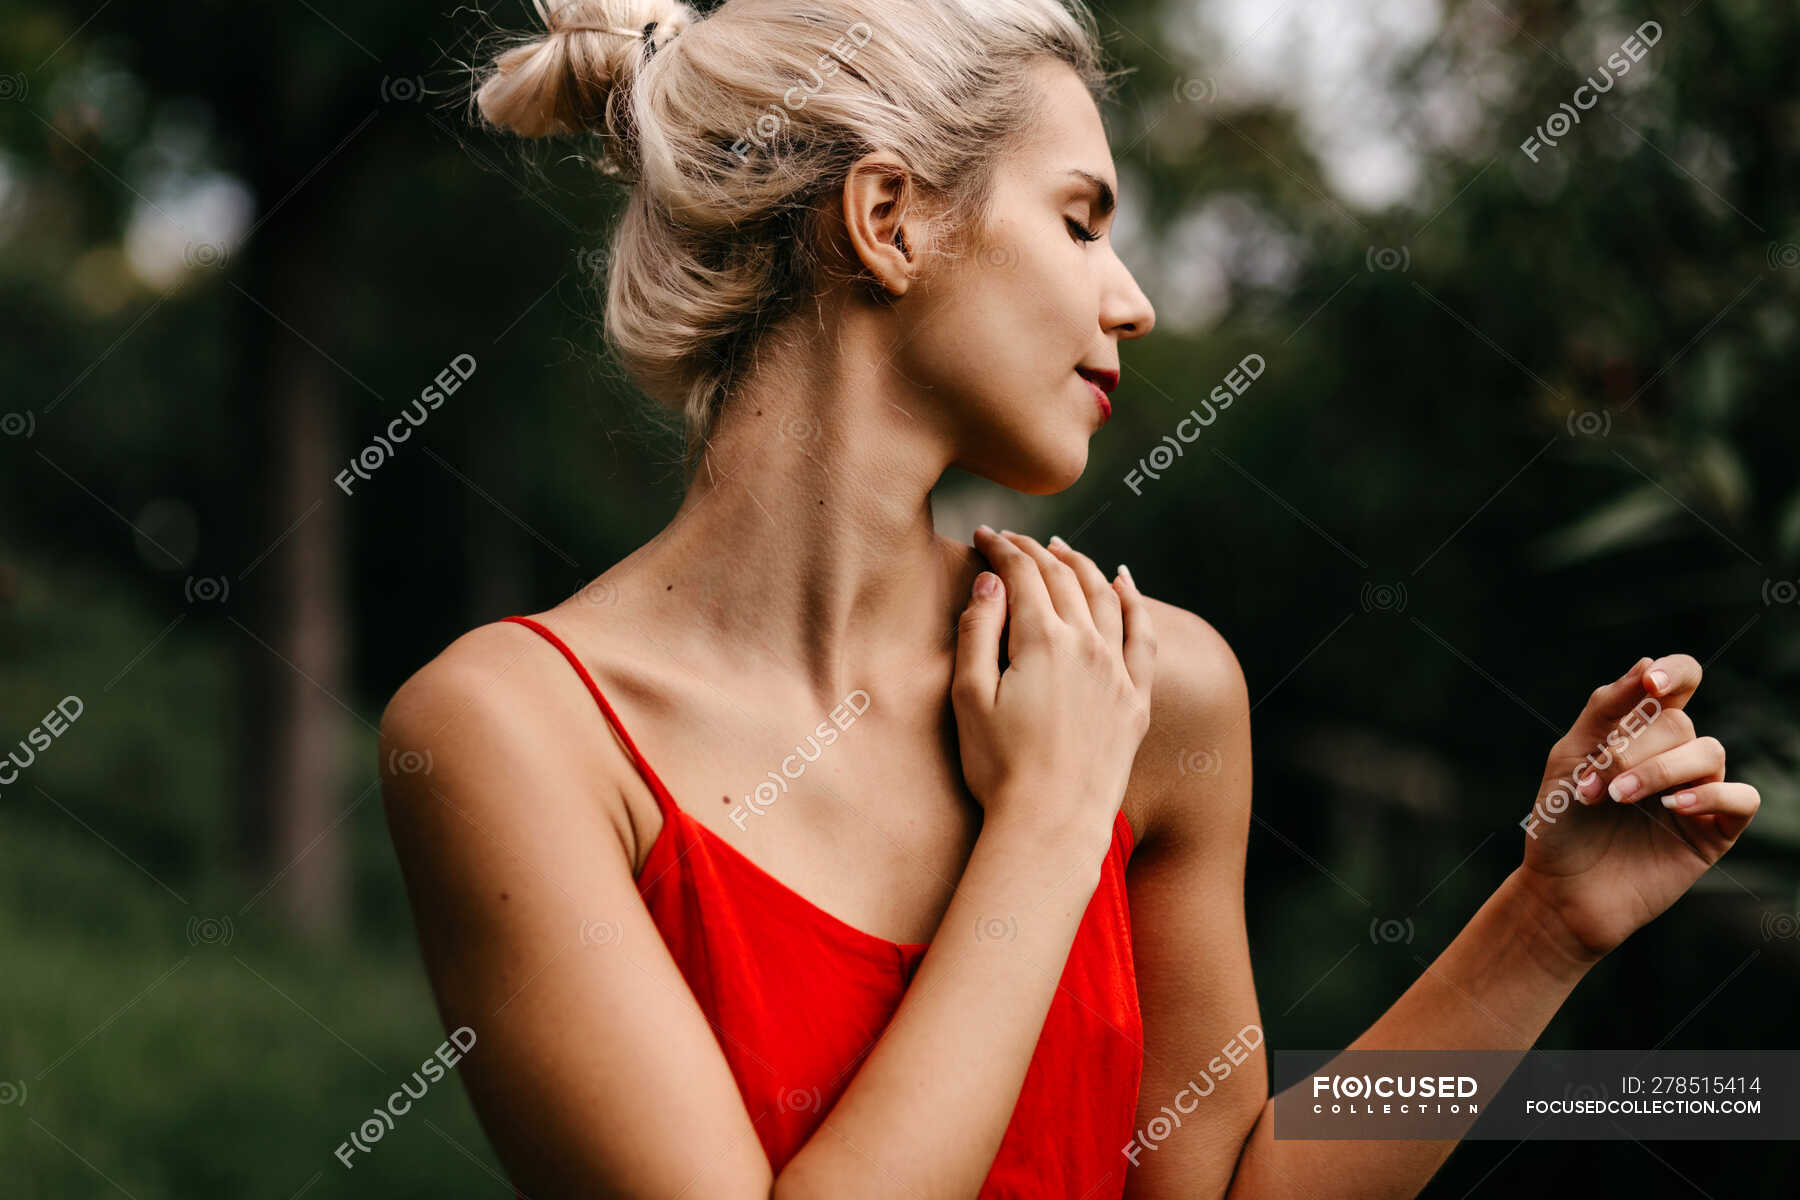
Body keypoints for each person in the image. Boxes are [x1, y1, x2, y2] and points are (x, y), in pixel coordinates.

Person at [377, 1, 1762, 1196]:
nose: (1135, 301)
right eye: (1082, 220)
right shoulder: (510, 737)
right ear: (889, 219)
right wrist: (1046, 819)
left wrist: (1543, 922)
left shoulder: (1148, 688)